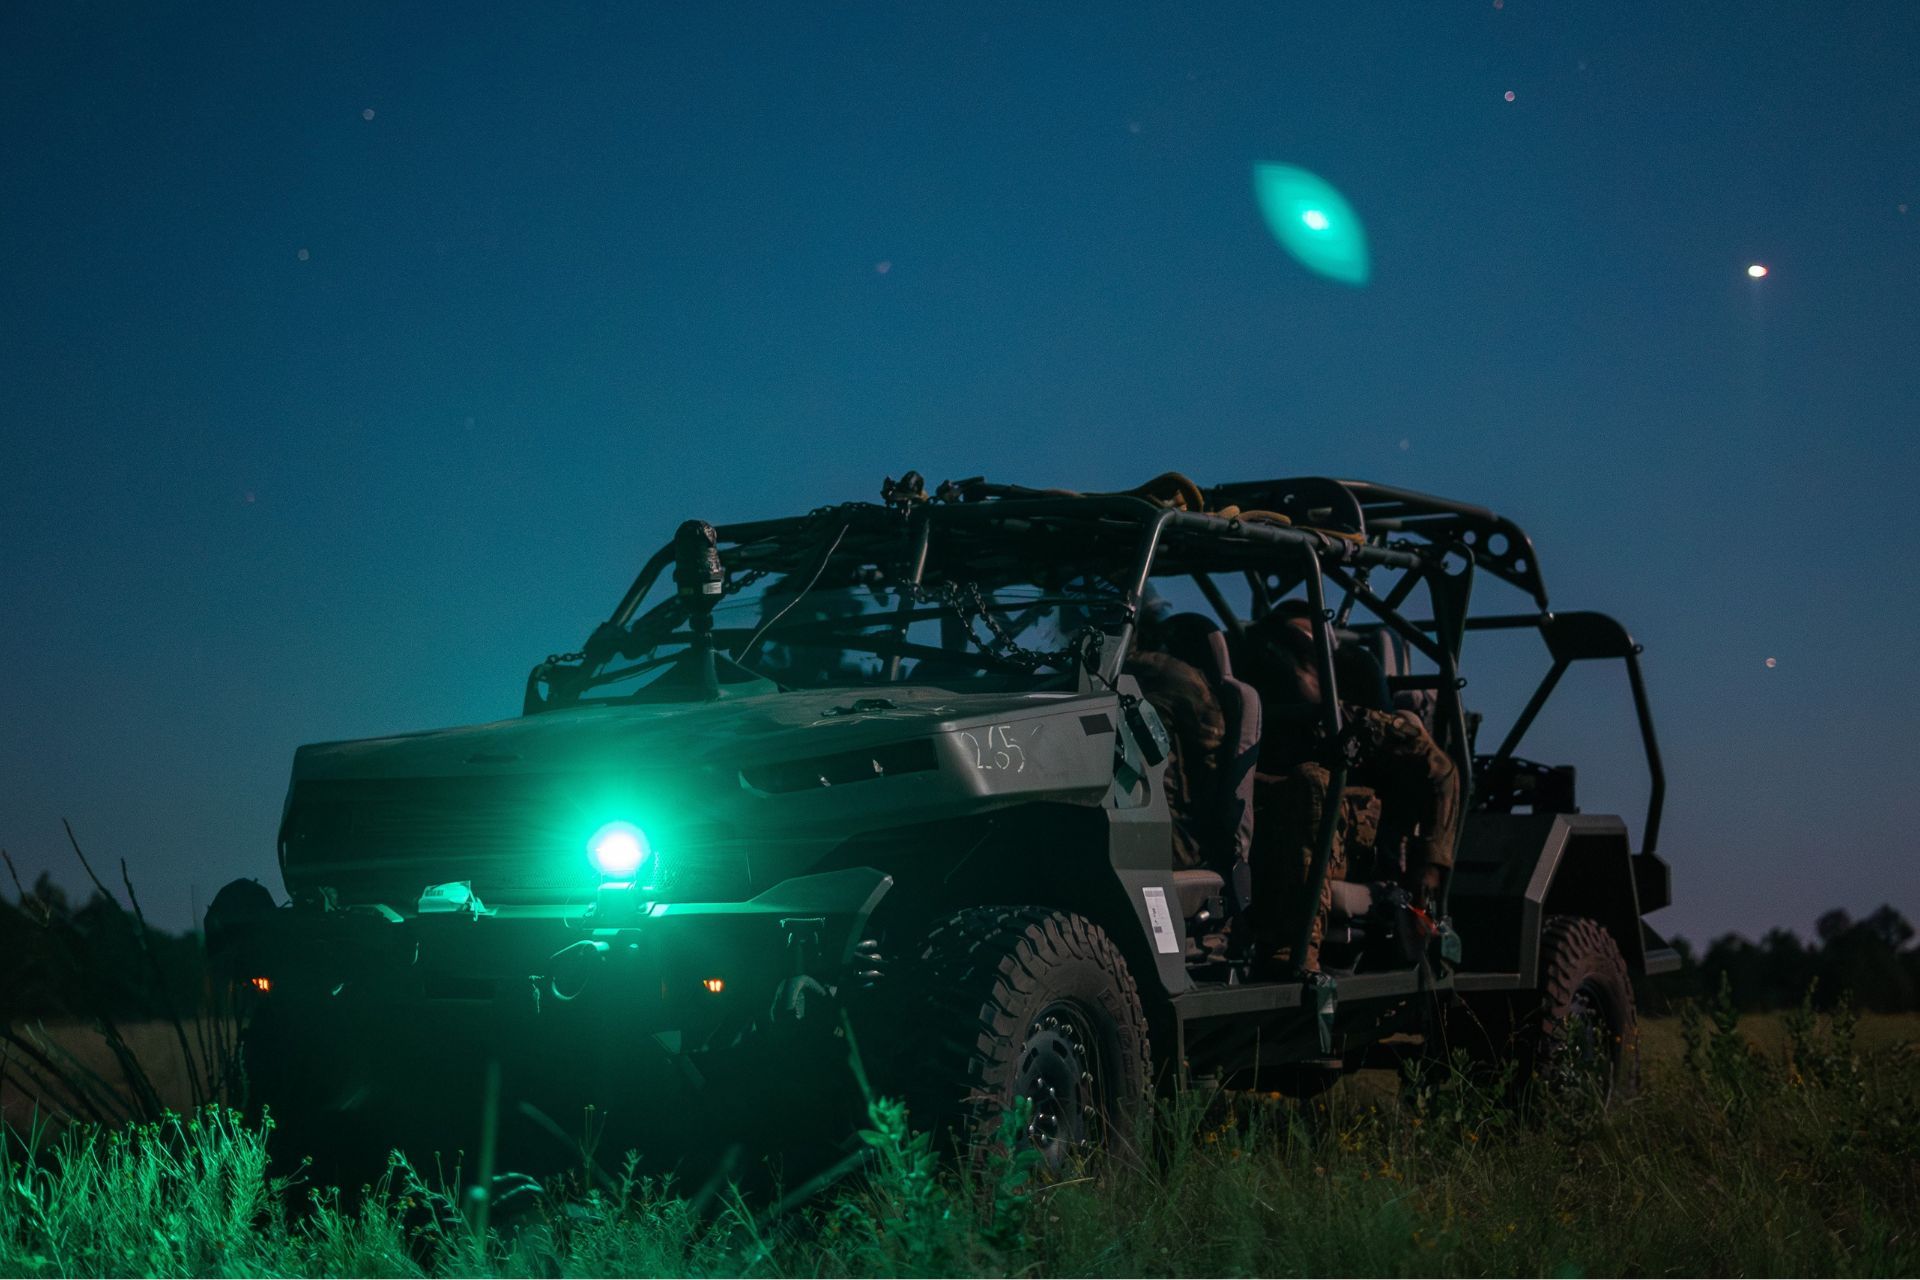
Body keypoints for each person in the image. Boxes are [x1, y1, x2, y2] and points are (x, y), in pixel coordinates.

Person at [1243, 602, 1460, 972]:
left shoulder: (1355, 719)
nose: (1282, 663)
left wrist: (1427, 873)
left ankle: (1296, 955)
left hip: (1344, 841)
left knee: (1312, 784)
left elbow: (1441, 771)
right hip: (1262, 833)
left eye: (1297, 649)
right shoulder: (1249, 709)